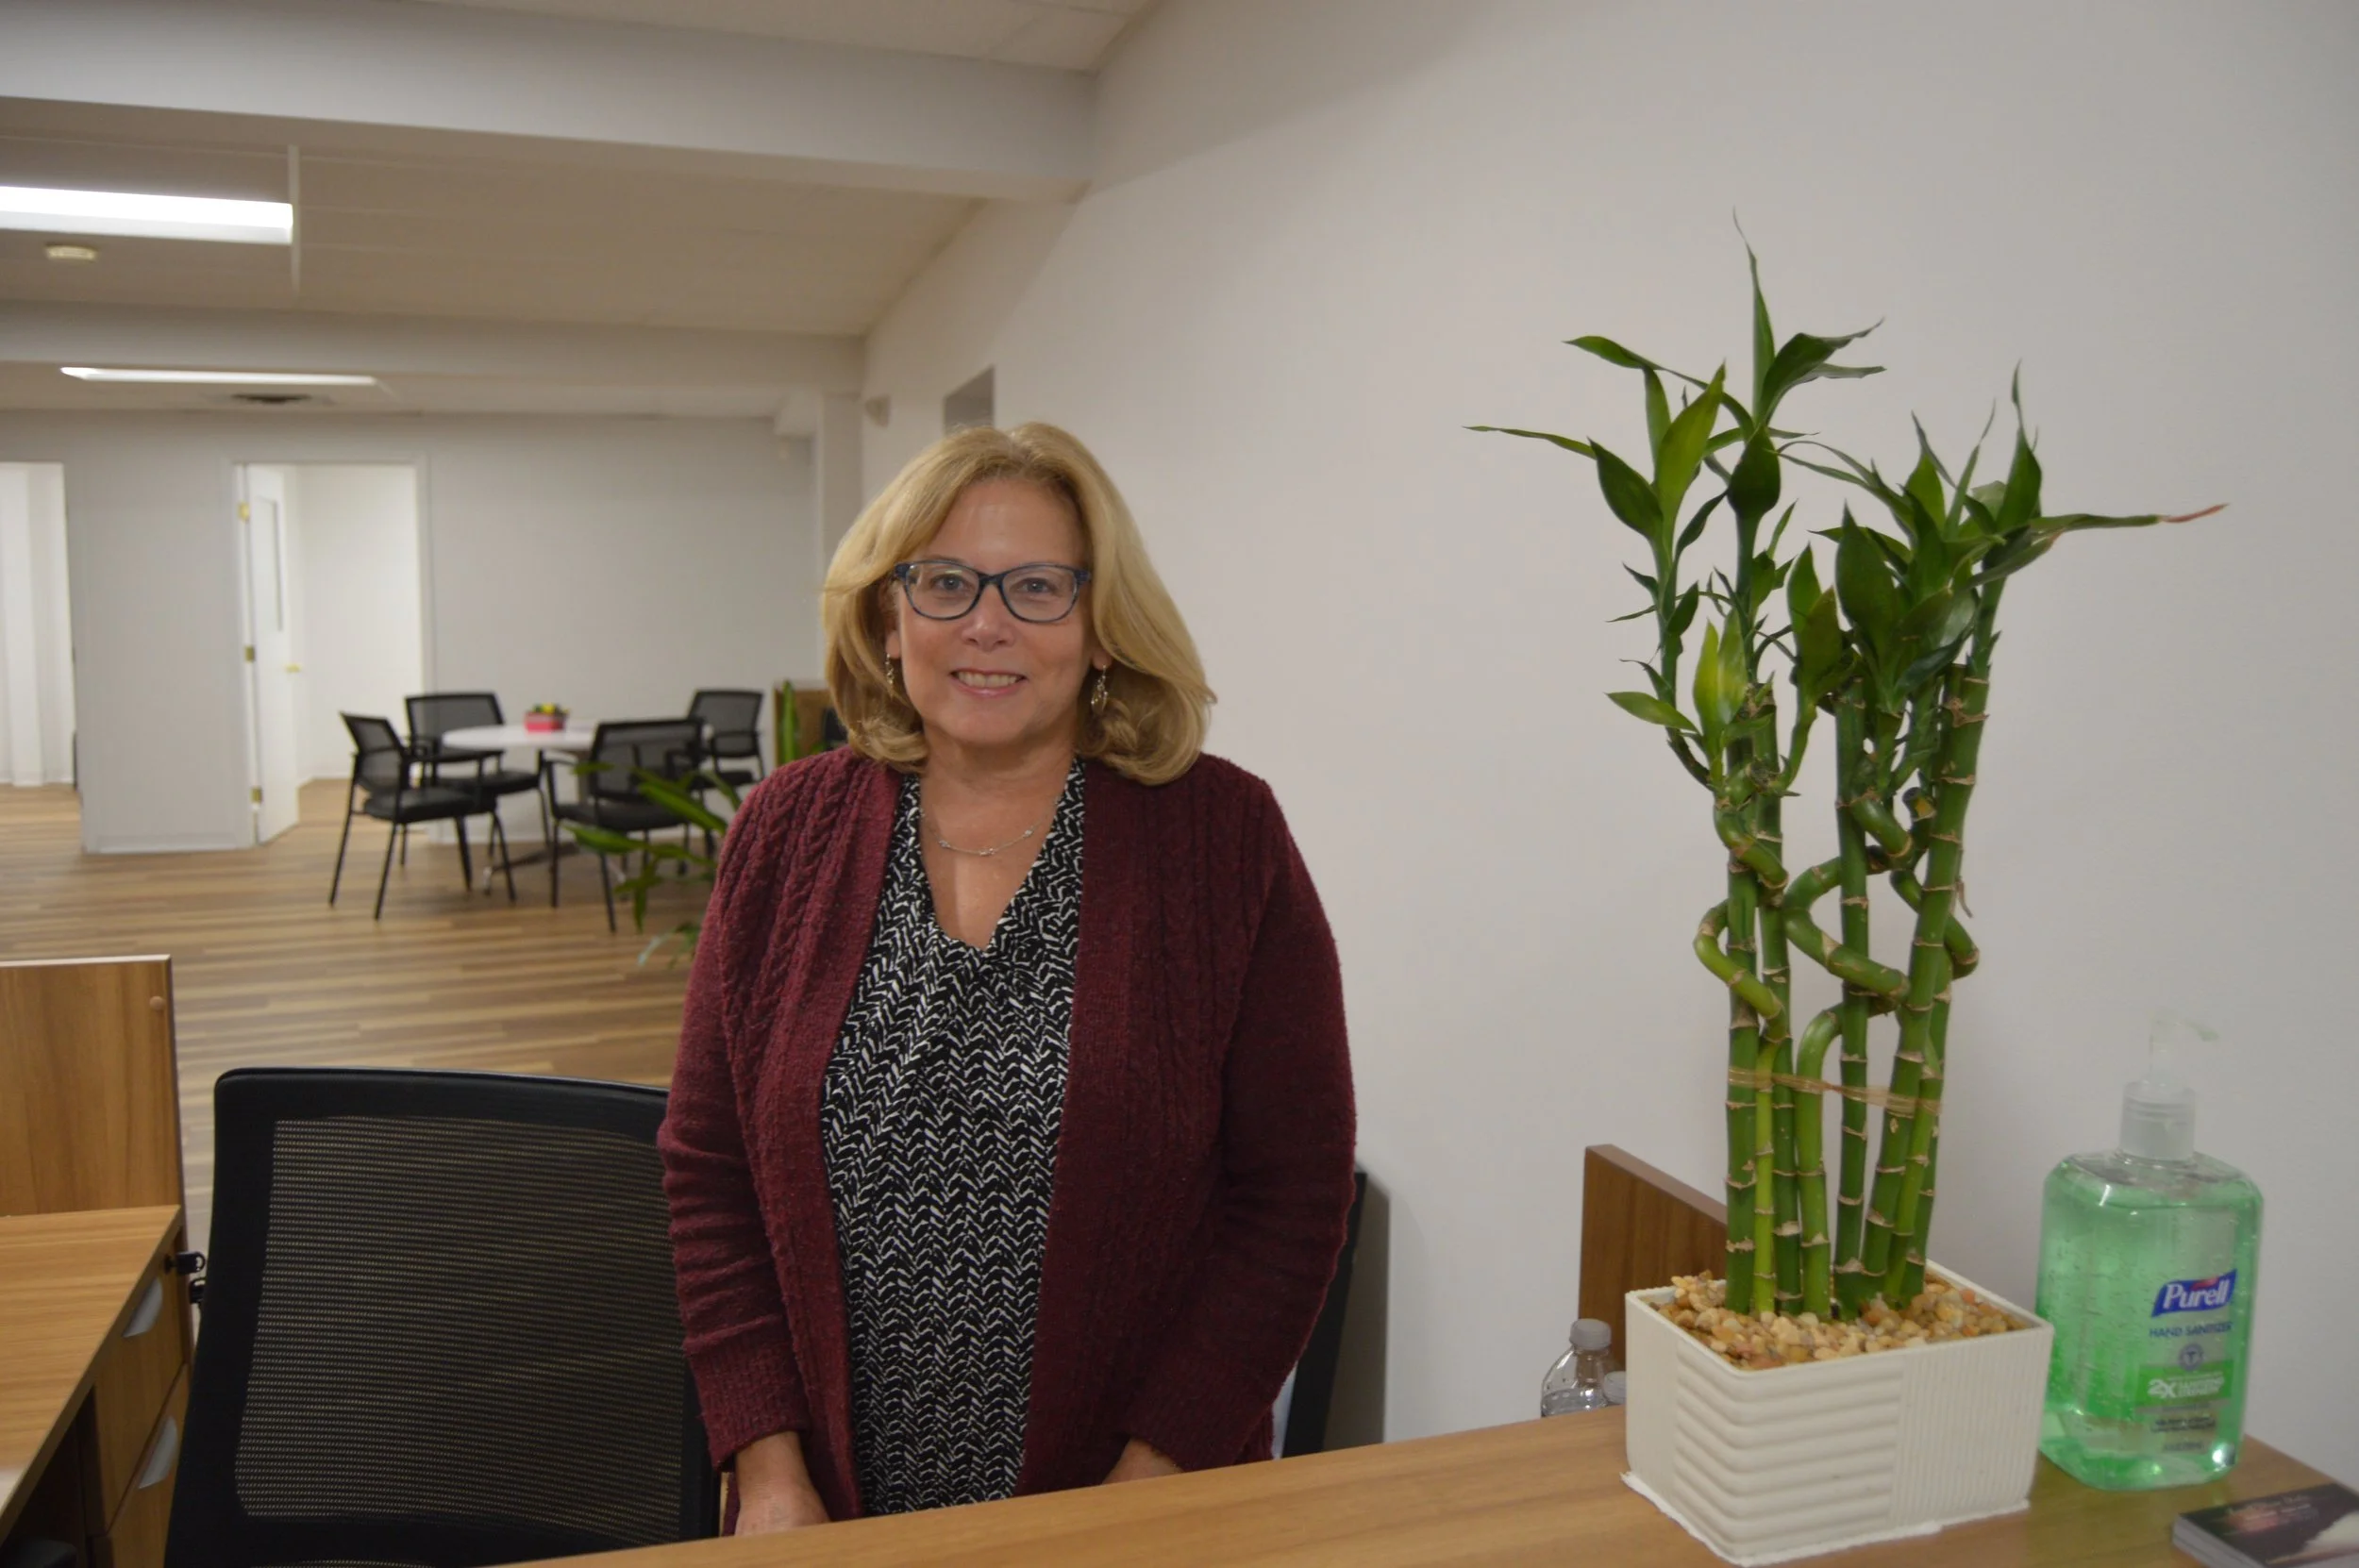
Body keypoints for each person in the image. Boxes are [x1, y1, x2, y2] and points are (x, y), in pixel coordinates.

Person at [658, 422, 1358, 1533]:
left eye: (1037, 587)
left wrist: (1151, 1483)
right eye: (943, 582)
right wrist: (769, 1462)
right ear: (888, 619)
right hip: (831, 1505)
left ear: (1101, 628)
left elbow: (1292, 1197)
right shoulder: (785, 832)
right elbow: (710, 1169)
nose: (986, 624)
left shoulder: (1221, 836)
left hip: (1139, 1499)